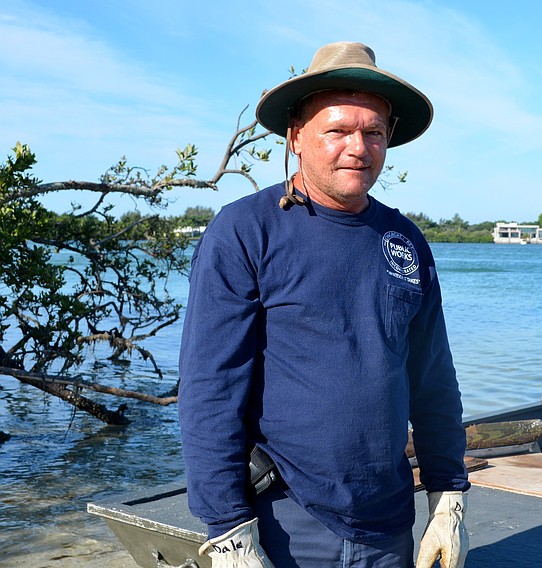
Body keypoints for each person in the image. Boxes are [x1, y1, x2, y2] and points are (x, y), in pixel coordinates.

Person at [178, 41, 470, 568]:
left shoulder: (404, 241)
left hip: (390, 520)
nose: (357, 147)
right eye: (337, 130)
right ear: (296, 137)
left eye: (373, 132)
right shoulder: (245, 232)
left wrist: (448, 497)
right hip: (286, 521)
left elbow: (433, 380)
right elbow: (210, 389)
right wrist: (227, 532)